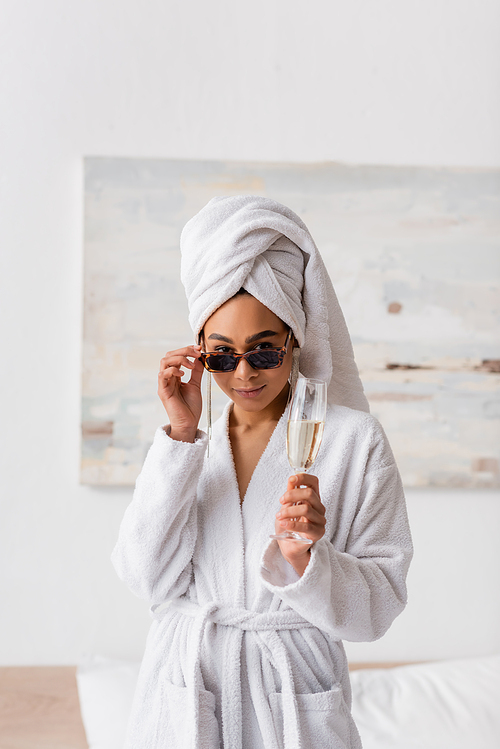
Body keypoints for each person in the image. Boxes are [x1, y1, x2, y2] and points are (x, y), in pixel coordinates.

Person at [111, 195, 413, 749]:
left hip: (293, 692)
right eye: (222, 356)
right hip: (186, 689)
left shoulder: (352, 440)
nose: (244, 374)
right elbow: (145, 578)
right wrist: (180, 436)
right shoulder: (185, 446)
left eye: (264, 351)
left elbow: (380, 606)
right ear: (199, 353)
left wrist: (308, 564)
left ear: (294, 341)